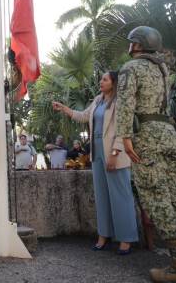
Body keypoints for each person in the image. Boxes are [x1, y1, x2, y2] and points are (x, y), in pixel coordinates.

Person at [114, 26, 176, 283]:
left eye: (132, 43)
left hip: (148, 137)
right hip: (169, 135)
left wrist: (124, 136)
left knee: (157, 200)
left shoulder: (131, 68)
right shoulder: (162, 69)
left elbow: (126, 103)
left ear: (138, 45)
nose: (129, 46)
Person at [53, 71, 138, 255]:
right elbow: (83, 116)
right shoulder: (98, 100)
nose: (101, 81)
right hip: (97, 152)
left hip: (115, 152)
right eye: (101, 79)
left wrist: (115, 153)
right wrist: (64, 108)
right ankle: (104, 236)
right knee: (102, 197)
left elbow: (123, 129)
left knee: (121, 196)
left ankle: (126, 238)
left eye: (105, 79)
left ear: (113, 83)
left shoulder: (120, 101)